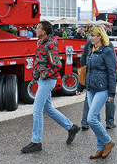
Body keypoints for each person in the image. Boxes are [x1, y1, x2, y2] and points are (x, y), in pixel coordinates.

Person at [21, 20, 80, 154]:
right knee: (47, 108)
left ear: (44, 32)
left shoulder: (50, 44)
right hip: (44, 80)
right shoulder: (41, 42)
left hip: (47, 81)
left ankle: (36, 142)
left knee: (37, 109)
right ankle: (71, 127)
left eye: (38, 28)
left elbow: (57, 65)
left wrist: (43, 75)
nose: (36, 30)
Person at [76, 25, 117, 159]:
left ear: (100, 36)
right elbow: (86, 69)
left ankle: (108, 141)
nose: (90, 38)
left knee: (91, 118)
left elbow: (112, 72)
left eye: (93, 35)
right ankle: (100, 148)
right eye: (90, 35)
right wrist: (81, 86)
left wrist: (112, 93)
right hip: (91, 88)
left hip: (102, 88)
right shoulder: (91, 49)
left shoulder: (107, 51)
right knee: (97, 119)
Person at [80, 32, 116, 130]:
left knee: (89, 100)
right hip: (101, 81)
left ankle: (85, 122)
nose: (91, 37)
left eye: (92, 35)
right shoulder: (108, 45)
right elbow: (113, 63)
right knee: (109, 101)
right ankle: (110, 122)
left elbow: (83, 57)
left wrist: (85, 71)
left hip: (92, 79)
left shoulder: (89, 44)